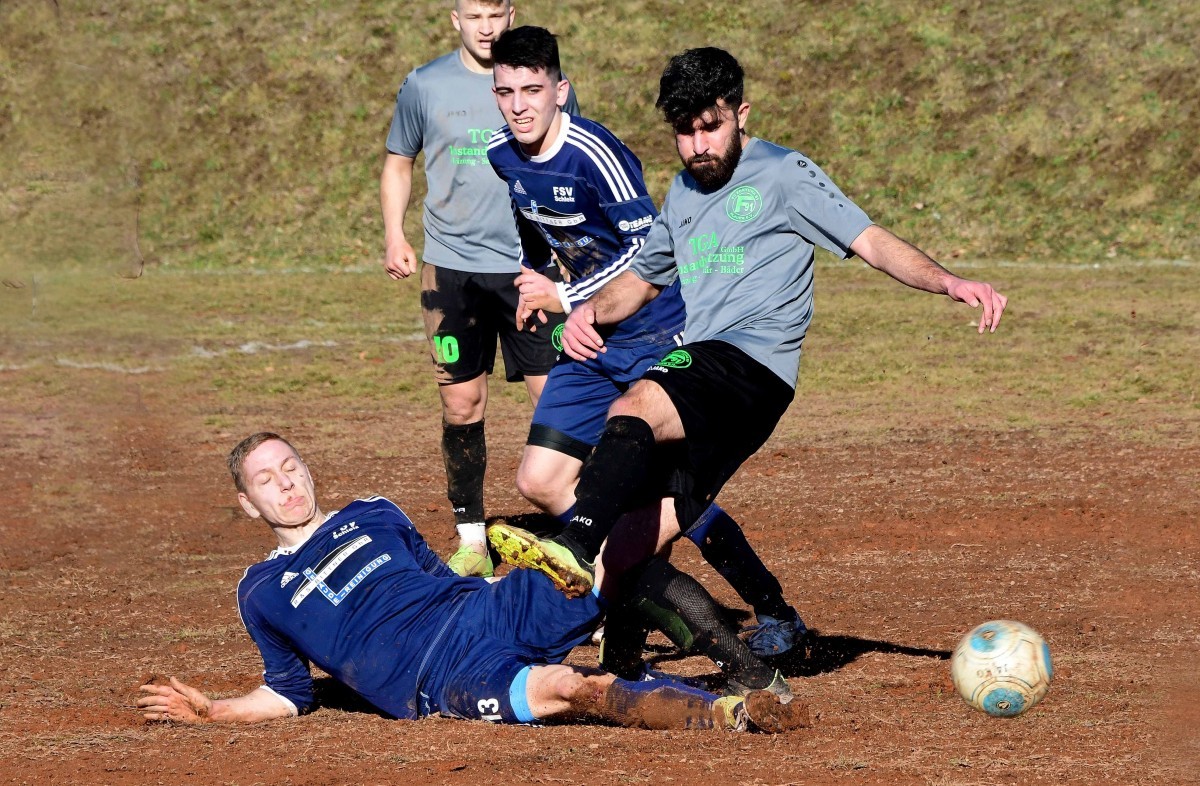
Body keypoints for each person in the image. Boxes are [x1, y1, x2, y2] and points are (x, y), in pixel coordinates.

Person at [488, 47, 1009, 599]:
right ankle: (762, 631)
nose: (699, 145)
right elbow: (643, 278)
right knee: (641, 536)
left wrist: (949, 281)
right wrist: (588, 307)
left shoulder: (785, 173)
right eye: (685, 133)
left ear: (741, 113)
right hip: (708, 368)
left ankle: (575, 541)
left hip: (749, 361)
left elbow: (870, 239)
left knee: (634, 404)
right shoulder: (684, 190)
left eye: (710, 127)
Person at [485, 26, 805, 662]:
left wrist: (569, 298)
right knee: (542, 480)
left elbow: (648, 259)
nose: (519, 104)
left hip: (655, 335)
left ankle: (755, 607)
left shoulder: (594, 152)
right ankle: (618, 581)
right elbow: (533, 220)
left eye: (532, 89)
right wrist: (539, 277)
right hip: (587, 338)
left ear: (559, 91)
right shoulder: (504, 155)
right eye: (505, 92)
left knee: (666, 497)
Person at [135, 433, 810, 734]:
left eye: (290, 466)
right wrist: (213, 711)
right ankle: (728, 715)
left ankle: (739, 655)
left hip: (489, 608)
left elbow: (434, 577)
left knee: (630, 539)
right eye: (265, 480)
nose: (285, 482)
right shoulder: (261, 591)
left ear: (307, 469)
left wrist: (488, 573)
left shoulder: (376, 512)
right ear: (249, 505)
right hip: (442, 677)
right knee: (569, 690)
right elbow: (287, 693)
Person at [379, 0, 579, 578]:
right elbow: (398, 161)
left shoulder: (537, 83)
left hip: (531, 273)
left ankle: (581, 536)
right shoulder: (424, 85)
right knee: (461, 403)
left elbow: (572, 160)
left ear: (511, 14)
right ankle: (471, 539)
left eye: (495, 15)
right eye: (474, 16)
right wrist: (395, 234)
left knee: (557, 401)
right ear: (455, 19)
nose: (485, 27)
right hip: (451, 273)